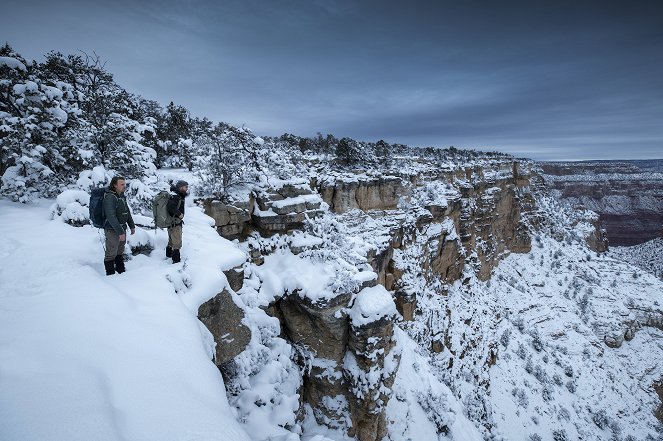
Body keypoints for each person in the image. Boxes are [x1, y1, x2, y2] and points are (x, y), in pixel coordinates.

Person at [103, 176, 136, 275]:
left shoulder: (121, 196)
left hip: (122, 228)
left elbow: (127, 212)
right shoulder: (110, 197)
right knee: (111, 253)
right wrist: (120, 232)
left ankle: (121, 271)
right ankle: (110, 275)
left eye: (124, 184)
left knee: (120, 250)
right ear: (114, 185)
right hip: (112, 229)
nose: (124, 186)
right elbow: (111, 216)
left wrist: (131, 225)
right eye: (122, 184)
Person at [166, 180, 188, 264]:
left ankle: (168, 256)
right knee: (177, 243)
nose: (186, 188)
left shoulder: (177, 195)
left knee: (171, 240)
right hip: (175, 222)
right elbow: (171, 207)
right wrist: (179, 214)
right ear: (180, 187)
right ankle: (176, 262)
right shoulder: (176, 196)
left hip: (172, 222)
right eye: (185, 187)